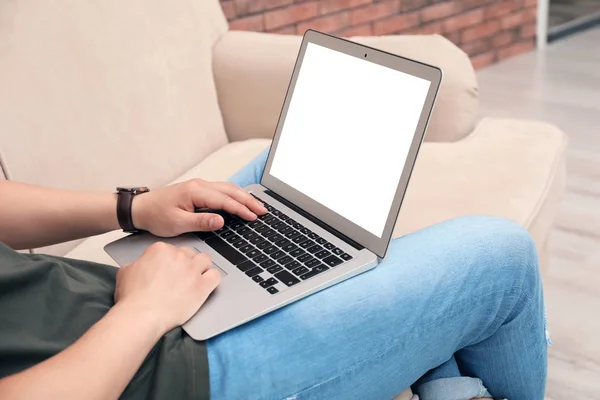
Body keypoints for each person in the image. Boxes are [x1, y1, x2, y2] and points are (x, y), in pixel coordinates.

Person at [0, 149, 548, 400]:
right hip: (156, 369)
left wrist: (136, 208)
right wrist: (143, 312)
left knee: (283, 169)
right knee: (501, 257)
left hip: (112, 303)